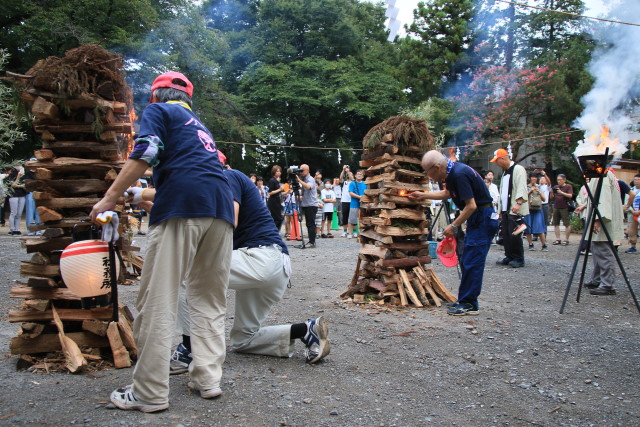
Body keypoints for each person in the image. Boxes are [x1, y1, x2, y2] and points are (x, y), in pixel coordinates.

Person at [90, 71, 235, 412]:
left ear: (155, 96)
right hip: (220, 210)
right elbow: (197, 171)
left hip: (184, 208)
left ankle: (149, 392)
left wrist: (109, 198)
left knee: (158, 299)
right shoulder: (198, 125)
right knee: (209, 301)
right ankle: (207, 378)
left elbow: (147, 150)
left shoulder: (160, 111)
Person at [409, 151, 498, 315]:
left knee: (472, 261)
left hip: (483, 218)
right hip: (477, 219)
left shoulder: (459, 174)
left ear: (436, 167)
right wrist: (423, 195)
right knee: (467, 259)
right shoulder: (452, 173)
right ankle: (465, 299)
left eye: (428, 172)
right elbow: (447, 193)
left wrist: (454, 225)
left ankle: (469, 304)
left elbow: (471, 206)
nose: (428, 176)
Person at [577, 170, 623, 296]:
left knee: (603, 251)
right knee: (597, 250)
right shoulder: (600, 174)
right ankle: (597, 279)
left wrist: (598, 219)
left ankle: (607, 284)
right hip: (600, 219)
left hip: (603, 220)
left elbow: (603, 198)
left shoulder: (603, 175)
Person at [491, 148, 529, 268]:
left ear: (503, 158)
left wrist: (518, 203)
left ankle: (519, 258)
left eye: (497, 161)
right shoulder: (505, 172)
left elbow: (521, 187)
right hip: (506, 208)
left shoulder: (518, 169)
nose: (497, 164)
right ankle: (509, 255)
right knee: (506, 233)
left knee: (515, 233)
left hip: (514, 207)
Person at [524, 174, 548, 251]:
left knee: (540, 227)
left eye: (535, 177)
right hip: (528, 209)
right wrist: (530, 191)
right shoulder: (526, 187)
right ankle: (530, 244)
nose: (534, 178)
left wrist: (539, 192)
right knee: (528, 227)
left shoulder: (540, 187)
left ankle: (544, 245)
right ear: (530, 178)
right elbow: (523, 197)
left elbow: (544, 199)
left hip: (538, 209)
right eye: (532, 177)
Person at [296, 164, 318, 248]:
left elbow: (308, 186)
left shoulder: (310, 179)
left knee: (311, 224)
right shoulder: (304, 179)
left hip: (311, 204)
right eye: (300, 170)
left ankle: (312, 241)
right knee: (308, 224)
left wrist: (299, 181)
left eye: (302, 170)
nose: (301, 172)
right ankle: (311, 240)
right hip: (306, 204)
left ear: (307, 170)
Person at [551, 174, 573, 246]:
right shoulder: (556, 187)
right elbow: (552, 198)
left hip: (565, 207)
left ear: (564, 180)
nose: (559, 181)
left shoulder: (568, 186)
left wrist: (561, 192)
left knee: (567, 223)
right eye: (558, 180)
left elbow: (570, 195)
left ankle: (566, 239)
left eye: (560, 180)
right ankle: (558, 239)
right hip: (556, 206)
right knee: (555, 223)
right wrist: (551, 192)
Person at [6, 166, 26, 236]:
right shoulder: (12, 175)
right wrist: (18, 176)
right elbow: (13, 185)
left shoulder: (24, 175)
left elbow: (25, 185)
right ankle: (12, 229)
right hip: (13, 195)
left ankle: (17, 229)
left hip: (22, 195)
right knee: (13, 213)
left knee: (19, 214)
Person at [348, 169, 366, 238]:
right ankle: (350, 233)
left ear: (363, 176)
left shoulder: (365, 183)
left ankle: (361, 232)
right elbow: (350, 193)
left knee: (362, 218)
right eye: (358, 174)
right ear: (355, 175)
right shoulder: (352, 183)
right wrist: (359, 197)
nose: (359, 175)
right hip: (354, 203)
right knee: (352, 218)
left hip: (363, 203)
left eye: (360, 174)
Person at [266, 165, 284, 230]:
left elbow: (280, 192)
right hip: (273, 201)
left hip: (277, 200)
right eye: (277, 171)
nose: (279, 173)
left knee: (279, 218)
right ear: (274, 172)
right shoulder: (272, 180)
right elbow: (270, 192)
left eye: (280, 171)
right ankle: (274, 231)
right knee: (278, 219)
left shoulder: (277, 181)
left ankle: (275, 232)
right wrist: (280, 189)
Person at [627, 174, 640, 253]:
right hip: (633, 212)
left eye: (638, 179)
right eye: (635, 179)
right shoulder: (630, 190)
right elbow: (627, 201)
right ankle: (633, 246)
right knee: (632, 230)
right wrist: (632, 210)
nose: (637, 181)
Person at [340, 167, 353, 237]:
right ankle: (345, 231)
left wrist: (348, 172)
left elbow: (352, 177)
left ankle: (353, 231)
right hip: (344, 201)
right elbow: (341, 178)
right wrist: (343, 170)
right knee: (345, 216)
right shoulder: (344, 182)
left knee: (352, 217)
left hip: (352, 200)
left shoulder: (353, 182)